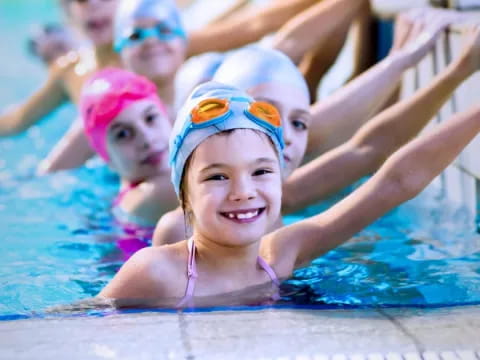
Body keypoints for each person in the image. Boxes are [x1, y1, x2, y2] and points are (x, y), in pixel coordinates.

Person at [99, 80, 480, 308]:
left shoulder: (280, 255)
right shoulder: (156, 272)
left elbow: (392, 185)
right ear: (184, 197)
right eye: (217, 177)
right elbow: (80, 323)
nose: (242, 192)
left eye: (261, 171)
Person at [153, 9, 477, 245]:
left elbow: (372, 153)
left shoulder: (281, 212)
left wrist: (458, 70)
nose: (286, 136)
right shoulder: (179, 225)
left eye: (300, 123)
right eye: (266, 115)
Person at [39, 0, 368, 173]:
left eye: (164, 31)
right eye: (137, 35)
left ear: (184, 42)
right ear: (120, 49)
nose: (152, 42)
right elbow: (47, 176)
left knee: (297, 87)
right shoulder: (112, 114)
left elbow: (286, 43)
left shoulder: (202, 92)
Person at [0, 0, 121, 137]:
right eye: (81, 0)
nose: (93, 4)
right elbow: (15, 122)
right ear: (69, 14)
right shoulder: (70, 71)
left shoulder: (145, 53)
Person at [79, 68, 178, 227]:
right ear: (107, 157)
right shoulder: (151, 196)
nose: (147, 138)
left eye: (150, 118)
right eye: (123, 134)